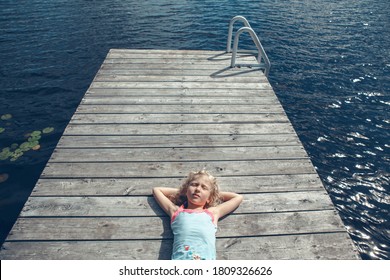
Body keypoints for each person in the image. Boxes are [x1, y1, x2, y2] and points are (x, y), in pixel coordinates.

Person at [152, 170, 243, 260]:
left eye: (204, 187)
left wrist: (212, 194)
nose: (198, 189)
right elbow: (157, 190)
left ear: (209, 198)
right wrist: (184, 191)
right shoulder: (176, 211)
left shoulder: (212, 213)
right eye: (194, 185)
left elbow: (237, 197)